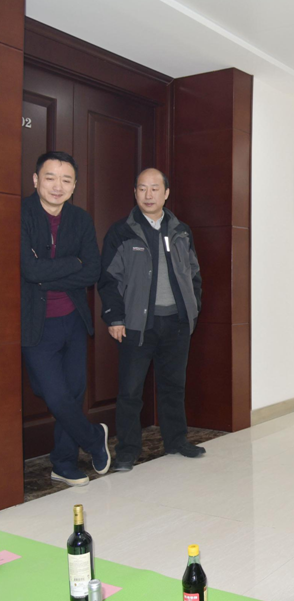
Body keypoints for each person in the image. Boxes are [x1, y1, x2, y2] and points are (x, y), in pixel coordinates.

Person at [98, 168, 203, 472]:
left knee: (173, 386)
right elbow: (109, 280)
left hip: (177, 323)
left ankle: (177, 440)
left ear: (166, 193)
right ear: (135, 192)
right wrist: (115, 318)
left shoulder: (181, 230)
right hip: (137, 324)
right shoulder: (122, 231)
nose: (148, 194)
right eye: (142, 188)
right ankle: (127, 451)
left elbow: (194, 274)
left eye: (155, 188)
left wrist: (192, 309)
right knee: (130, 391)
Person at [21, 151, 110, 487]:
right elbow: (28, 270)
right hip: (36, 322)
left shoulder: (80, 219)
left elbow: (92, 271)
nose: (57, 186)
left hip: (73, 319)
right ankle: (93, 437)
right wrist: (72, 264)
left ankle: (63, 462)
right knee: (55, 395)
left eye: (66, 180)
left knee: (72, 394)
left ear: (74, 186)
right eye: (50, 177)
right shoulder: (20, 214)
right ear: (36, 180)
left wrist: (46, 274)